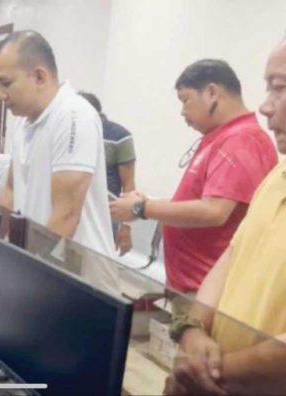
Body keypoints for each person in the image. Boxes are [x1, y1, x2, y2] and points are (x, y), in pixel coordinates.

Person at [163, 39, 286, 396]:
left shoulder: (243, 140)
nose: (265, 106)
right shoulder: (277, 176)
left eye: (280, 88)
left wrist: (203, 375)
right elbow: (233, 256)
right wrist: (192, 330)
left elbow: (215, 211)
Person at [110, 59, 278, 311]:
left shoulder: (241, 139)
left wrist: (141, 209)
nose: (182, 112)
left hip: (209, 292)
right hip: (193, 286)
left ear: (212, 92)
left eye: (185, 99)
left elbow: (214, 211)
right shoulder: (221, 137)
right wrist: (146, 204)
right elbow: (198, 202)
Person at [0, 31, 118, 294]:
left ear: (39, 76)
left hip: (80, 268)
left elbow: (66, 215)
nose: (1, 95)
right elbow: (11, 191)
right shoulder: (21, 120)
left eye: (6, 83)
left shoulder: (73, 115)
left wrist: (25, 270)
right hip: (40, 258)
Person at [79, 91, 136, 256]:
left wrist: (126, 227)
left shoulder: (119, 136)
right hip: (74, 211)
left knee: (98, 267)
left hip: (105, 215)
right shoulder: (72, 132)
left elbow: (129, 184)